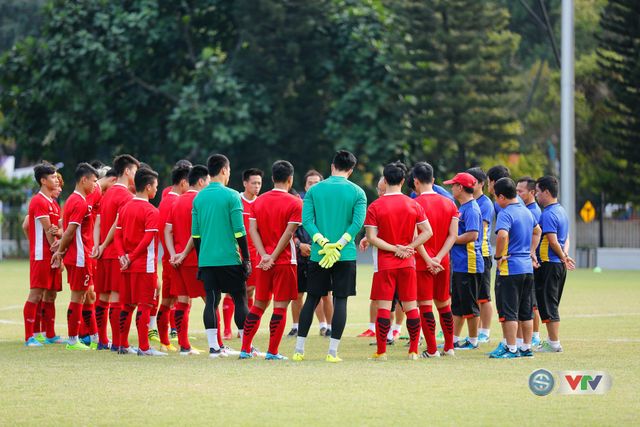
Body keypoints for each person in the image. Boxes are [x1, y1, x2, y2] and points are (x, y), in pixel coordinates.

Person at [293, 150, 367, 363]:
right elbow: (357, 224)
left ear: (332, 165)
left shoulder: (315, 190)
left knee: (312, 299)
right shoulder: (358, 192)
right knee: (340, 300)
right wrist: (339, 244)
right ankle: (332, 352)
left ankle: (299, 350)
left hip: (319, 255)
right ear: (351, 170)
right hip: (344, 255)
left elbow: (307, 221)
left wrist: (323, 243)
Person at [365, 162, 432, 361]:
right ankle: (413, 351)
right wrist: (409, 247)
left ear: (384, 181)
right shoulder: (413, 204)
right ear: (404, 181)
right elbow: (428, 231)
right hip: (407, 263)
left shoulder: (375, 206)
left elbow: (371, 237)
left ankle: (381, 352)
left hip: (386, 263)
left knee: (384, 307)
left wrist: (395, 248)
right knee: (411, 306)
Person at [240, 160, 303, 360]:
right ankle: (272, 352)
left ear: (272, 178)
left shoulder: (258, 201)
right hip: (284, 261)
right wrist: (274, 256)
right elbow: (288, 234)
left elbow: (252, 230)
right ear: (290, 179)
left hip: (262, 261)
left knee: (258, 304)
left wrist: (264, 255)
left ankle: (245, 349)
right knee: (280, 307)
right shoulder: (295, 202)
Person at [191, 154, 251, 359]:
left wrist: (201, 260)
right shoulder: (232, 196)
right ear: (224, 170)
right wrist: (247, 258)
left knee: (211, 302)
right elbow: (239, 231)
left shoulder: (198, 197)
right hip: (230, 259)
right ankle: (245, 347)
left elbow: (196, 235)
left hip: (207, 260)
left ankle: (214, 348)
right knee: (240, 300)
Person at [114, 167, 167, 356]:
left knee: (127, 306)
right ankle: (144, 347)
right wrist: (132, 257)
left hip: (126, 265)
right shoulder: (151, 211)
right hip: (144, 266)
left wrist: (123, 256)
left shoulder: (125, 207)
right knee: (145, 305)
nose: (156, 190)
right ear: (147, 187)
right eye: (155, 186)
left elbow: (117, 235)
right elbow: (147, 240)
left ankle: (122, 344)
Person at [489, 178, 541, 358]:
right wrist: (531, 251)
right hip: (527, 267)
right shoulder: (526, 211)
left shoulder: (506, 213)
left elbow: (502, 235)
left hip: (510, 268)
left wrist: (498, 255)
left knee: (509, 311)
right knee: (526, 312)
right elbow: (538, 231)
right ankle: (526, 348)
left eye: (495, 197)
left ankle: (511, 348)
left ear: (502, 196)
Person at [92, 154, 139, 351]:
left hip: (103, 254)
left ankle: (103, 341)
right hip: (115, 253)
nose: (136, 176)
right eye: (135, 172)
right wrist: (103, 246)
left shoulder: (107, 193)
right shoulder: (127, 196)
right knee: (119, 300)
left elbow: (99, 221)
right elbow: (117, 224)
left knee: (103, 298)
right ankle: (120, 343)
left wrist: (97, 245)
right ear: (127, 171)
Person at [412, 162, 459, 357]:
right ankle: (449, 347)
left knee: (425, 305)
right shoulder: (450, 203)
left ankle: (432, 350)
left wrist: (428, 259)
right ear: (433, 180)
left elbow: (415, 237)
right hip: (443, 262)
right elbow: (453, 235)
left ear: (416, 182)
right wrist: (439, 257)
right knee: (444, 304)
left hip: (423, 262)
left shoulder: (414, 204)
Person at [51, 163, 99, 350]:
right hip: (80, 256)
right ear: (83, 180)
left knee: (88, 296)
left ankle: (95, 337)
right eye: (94, 181)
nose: (95, 185)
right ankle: (73, 340)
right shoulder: (79, 202)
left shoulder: (73, 200)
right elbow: (70, 232)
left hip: (80, 255)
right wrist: (60, 252)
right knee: (78, 296)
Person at [165, 165, 210, 355]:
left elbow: (167, 230)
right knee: (211, 300)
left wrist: (172, 253)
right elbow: (197, 231)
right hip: (195, 259)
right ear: (201, 181)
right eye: (208, 181)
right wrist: (183, 253)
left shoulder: (175, 201)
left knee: (182, 301)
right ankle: (217, 344)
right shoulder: (201, 200)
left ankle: (184, 346)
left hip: (177, 260)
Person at [534, 175, 575, 353]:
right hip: (557, 264)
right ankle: (552, 341)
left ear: (547, 192)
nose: (536, 196)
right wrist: (565, 255)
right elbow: (566, 238)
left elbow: (552, 240)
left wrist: (563, 257)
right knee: (551, 302)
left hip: (550, 264)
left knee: (549, 303)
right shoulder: (562, 211)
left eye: (538, 192)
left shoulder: (549, 214)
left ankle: (554, 343)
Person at [222, 168, 263, 340]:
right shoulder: (236, 200)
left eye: (259, 183)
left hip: (255, 255)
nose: (256, 186)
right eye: (253, 183)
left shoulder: (261, 203)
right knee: (232, 291)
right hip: (237, 253)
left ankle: (244, 328)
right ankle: (226, 329)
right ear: (245, 183)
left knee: (251, 291)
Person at [153, 163, 191, 351]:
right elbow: (172, 231)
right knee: (183, 301)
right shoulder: (176, 202)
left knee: (168, 302)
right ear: (184, 182)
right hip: (178, 260)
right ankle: (183, 343)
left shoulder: (165, 200)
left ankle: (165, 341)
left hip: (168, 259)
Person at [444, 172, 484, 350]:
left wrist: (451, 239)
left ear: (460, 187)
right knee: (458, 305)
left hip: (470, 263)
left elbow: (473, 235)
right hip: (460, 263)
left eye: (453, 185)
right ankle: (453, 339)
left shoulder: (472, 209)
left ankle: (473, 340)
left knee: (470, 304)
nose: (451, 188)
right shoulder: (462, 207)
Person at [23, 163, 60, 347]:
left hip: (52, 254)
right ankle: (30, 336)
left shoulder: (52, 202)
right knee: (36, 294)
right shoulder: (38, 201)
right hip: (42, 255)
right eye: (52, 177)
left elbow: (56, 229)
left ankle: (49, 333)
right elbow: (48, 230)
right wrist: (57, 251)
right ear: (43, 181)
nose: (56, 179)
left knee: (50, 294)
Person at [288, 169, 324, 337]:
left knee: (324, 293)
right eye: (310, 183)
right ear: (305, 185)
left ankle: (326, 326)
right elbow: (289, 230)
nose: (313, 186)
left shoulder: (326, 204)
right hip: (300, 252)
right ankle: (296, 326)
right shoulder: (297, 203)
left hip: (321, 252)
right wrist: (299, 244)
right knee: (298, 293)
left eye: (317, 183)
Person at [466, 167, 495, 343]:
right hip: (471, 253)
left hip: (482, 253)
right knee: (474, 295)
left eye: (473, 181)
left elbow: (479, 229)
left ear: (481, 184)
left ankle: (484, 331)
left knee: (484, 296)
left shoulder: (485, 203)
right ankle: (475, 331)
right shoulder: (468, 201)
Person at [516, 176, 543, 346]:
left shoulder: (533, 211)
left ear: (532, 192)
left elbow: (537, 234)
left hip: (532, 262)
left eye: (521, 191)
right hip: (528, 261)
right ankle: (530, 335)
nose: (517, 194)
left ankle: (534, 335)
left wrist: (532, 253)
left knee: (532, 303)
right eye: (516, 190)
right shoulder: (527, 208)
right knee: (530, 302)